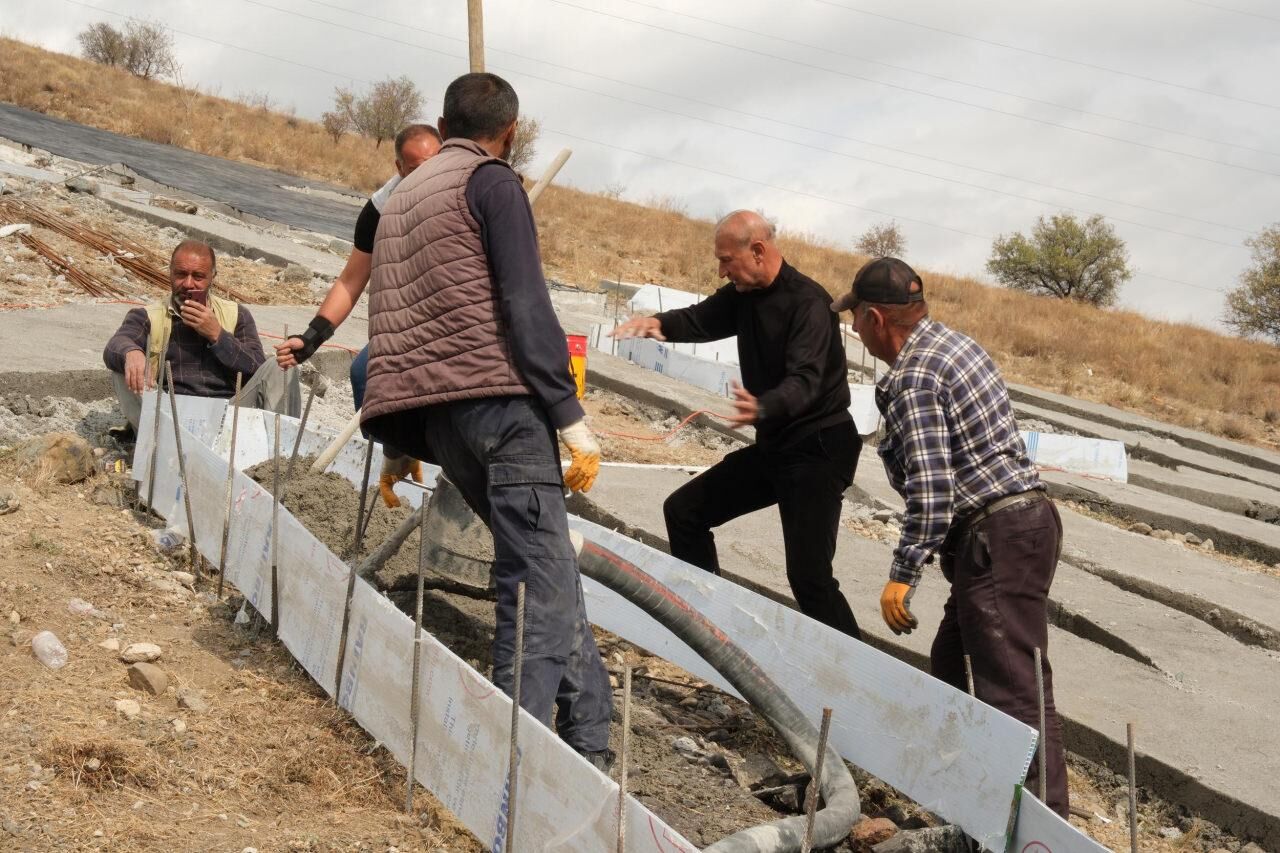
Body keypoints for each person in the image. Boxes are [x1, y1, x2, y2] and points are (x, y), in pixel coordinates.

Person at [358, 72, 613, 768]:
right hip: (502, 409)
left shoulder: (401, 197)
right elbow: (527, 306)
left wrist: (394, 440)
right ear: (510, 132)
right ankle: (511, 770)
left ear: (442, 126)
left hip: (440, 421)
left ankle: (590, 742)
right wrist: (571, 418)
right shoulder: (496, 182)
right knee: (535, 591)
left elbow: (393, 317)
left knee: (548, 571)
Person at [833, 257, 1068, 816]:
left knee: (1014, 693)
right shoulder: (956, 345)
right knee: (950, 658)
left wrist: (901, 574)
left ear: (873, 319)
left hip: (996, 536)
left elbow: (933, 491)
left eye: (856, 321)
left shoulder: (913, 377)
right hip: (1023, 524)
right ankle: (966, 791)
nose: (856, 331)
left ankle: (1039, 831)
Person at [612, 210, 863, 640]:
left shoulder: (810, 305)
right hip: (778, 447)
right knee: (685, 512)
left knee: (809, 578)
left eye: (727, 259)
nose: (721, 269)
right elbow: (701, 318)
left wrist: (763, 406)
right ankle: (711, 635)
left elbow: (805, 382)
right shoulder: (743, 293)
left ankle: (860, 683)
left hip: (818, 448)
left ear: (759, 251)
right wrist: (658, 324)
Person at [275, 124, 443, 506]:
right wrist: (312, 337)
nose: (426, 177)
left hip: (460, 319)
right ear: (399, 167)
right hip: (411, 319)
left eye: (435, 164)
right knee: (364, 373)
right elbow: (351, 281)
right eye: (415, 169)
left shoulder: (465, 192)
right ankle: (396, 462)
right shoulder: (382, 209)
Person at [103, 240, 294, 436]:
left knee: (284, 365)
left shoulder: (237, 314)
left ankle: (280, 450)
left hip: (227, 416)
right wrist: (131, 352)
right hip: (167, 415)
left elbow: (257, 368)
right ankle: (156, 444)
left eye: (198, 277)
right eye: (180, 274)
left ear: (212, 277)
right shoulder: (148, 316)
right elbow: (115, 345)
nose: (188, 284)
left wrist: (217, 335)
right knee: (122, 361)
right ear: (170, 273)